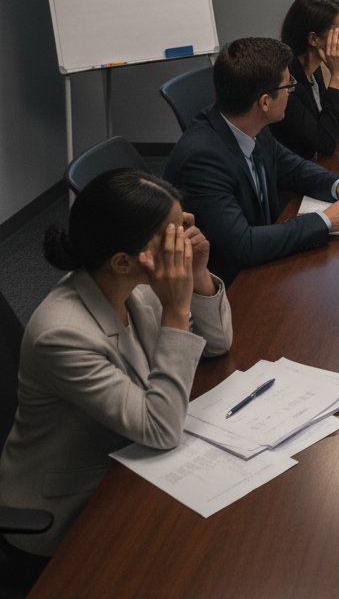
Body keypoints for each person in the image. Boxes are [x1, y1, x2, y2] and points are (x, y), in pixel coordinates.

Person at [0, 169, 232, 579]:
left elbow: (217, 345)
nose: (185, 243)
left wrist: (197, 274)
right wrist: (178, 312)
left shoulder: (134, 288)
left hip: (128, 463)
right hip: (70, 510)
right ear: (124, 260)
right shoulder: (62, 334)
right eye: (174, 238)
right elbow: (160, 428)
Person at [164, 37, 339, 285]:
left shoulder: (247, 122)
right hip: (231, 285)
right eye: (289, 86)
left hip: (263, 262)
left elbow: (291, 167)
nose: (293, 91)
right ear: (265, 102)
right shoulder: (201, 160)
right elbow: (243, 245)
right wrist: (328, 219)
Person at [271, 0, 339, 159]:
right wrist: (338, 76)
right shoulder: (286, 84)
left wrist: (332, 75)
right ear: (314, 39)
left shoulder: (315, 69)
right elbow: (325, 143)